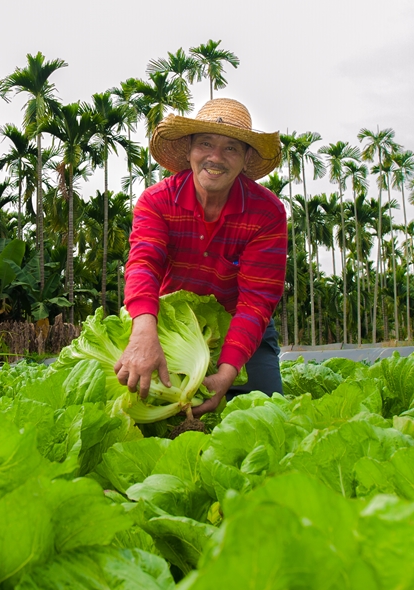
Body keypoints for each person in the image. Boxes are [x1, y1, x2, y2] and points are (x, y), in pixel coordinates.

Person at [113, 98, 286, 416]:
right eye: (205, 143)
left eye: (231, 148)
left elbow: (257, 300)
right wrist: (143, 332)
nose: (215, 158)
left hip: (239, 320)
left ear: (246, 157)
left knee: (264, 410)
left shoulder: (267, 212)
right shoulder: (157, 201)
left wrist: (229, 371)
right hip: (174, 324)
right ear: (190, 149)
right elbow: (144, 264)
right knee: (146, 410)